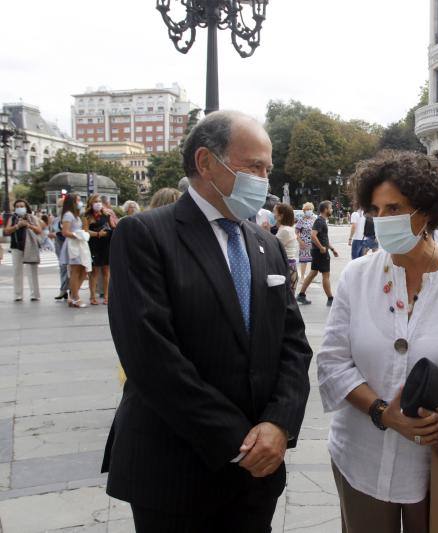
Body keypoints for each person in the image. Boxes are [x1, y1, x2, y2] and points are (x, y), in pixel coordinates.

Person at [102, 110, 313, 531]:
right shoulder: (144, 235)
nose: (264, 179)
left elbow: (293, 343)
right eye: (254, 166)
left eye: (268, 169)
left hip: (258, 473)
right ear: (205, 162)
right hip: (175, 471)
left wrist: (278, 424)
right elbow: (151, 356)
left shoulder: (265, 244)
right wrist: (238, 440)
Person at [316, 150, 438, 533]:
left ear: (425, 212)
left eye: (394, 208)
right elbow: (332, 363)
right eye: (375, 209)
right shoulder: (358, 275)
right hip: (361, 459)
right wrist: (382, 412)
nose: (382, 220)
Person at [297, 200, 339, 306]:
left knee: (313, 273)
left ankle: (301, 295)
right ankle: (330, 299)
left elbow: (323, 238)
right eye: (330, 208)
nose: (332, 209)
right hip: (320, 252)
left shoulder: (322, 220)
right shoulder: (320, 221)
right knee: (326, 275)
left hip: (318, 251)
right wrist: (321, 247)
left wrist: (332, 249)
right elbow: (313, 235)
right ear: (325, 210)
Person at [3, 199, 43, 302]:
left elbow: (39, 230)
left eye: (22, 206)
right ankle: (18, 295)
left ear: (26, 207)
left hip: (30, 247)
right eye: (18, 206)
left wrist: (29, 225)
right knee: (17, 270)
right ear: (15, 208)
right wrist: (17, 226)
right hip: (16, 246)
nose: (20, 208)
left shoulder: (32, 217)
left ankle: (35, 294)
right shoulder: (12, 218)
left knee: (32, 270)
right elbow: (6, 231)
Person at [59, 194, 91, 308]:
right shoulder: (68, 215)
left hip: (79, 244)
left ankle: (73, 295)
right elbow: (65, 232)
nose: (79, 202)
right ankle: (75, 297)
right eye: (77, 200)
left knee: (83, 270)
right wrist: (78, 235)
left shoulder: (76, 215)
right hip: (73, 245)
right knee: (75, 271)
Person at [83, 194, 115, 305]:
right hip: (94, 245)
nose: (98, 203)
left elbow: (112, 227)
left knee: (106, 271)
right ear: (91, 203)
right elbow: (85, 231)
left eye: (99, 201)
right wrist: (97, 233)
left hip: (106, 244)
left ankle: (106, 295)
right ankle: (92, 296)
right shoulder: (87, 216)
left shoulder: (106, 214)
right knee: (94, 272)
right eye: (95, 201)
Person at [275, 203, 300, 292]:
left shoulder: (284, 231)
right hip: (291, 267)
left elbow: (273, 248)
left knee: (285, 301)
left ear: (280, 216)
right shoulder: (288, 228)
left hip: (286, 268)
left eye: (275, 212)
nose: (273, 215)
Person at [50, 198, 70, 300]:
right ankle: (63, 290)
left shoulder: (70, 217)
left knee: (70, 268)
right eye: (58, 206)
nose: (59, 208)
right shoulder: (56, 219)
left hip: (69, 244)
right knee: (62, 267)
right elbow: (53, 231)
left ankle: (71, 289)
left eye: (61, 206)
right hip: (59, 243)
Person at [296, 202, 315, 280]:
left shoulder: (314, 219)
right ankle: (302, 277)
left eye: (310, 209)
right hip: (304, 243)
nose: (309, 211)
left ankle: (311, 277)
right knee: (304, 261)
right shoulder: (301, 220)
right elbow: (296, 233)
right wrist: (300, 242)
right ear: (304, 210)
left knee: (314, 261)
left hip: (314, 243)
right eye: (307, 209)